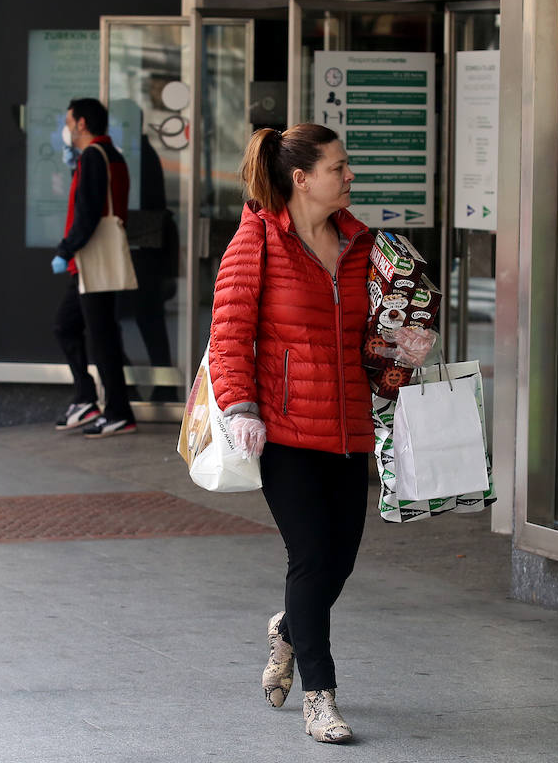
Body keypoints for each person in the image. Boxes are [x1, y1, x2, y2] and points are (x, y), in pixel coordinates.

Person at [207, 123, 432, 744]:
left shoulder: (364, 245)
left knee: (340, 563)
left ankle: (286, 630)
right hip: (284, 430)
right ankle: (319, 698)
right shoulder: (257, 240)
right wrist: (241, 408)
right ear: (301, 178)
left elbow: (378, 334)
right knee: (309, 560)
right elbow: (228, 333)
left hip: (350, 428)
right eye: (338, 167)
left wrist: (403, 347)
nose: (349, 176)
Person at [50, 97, 137, 438]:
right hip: (92, 261)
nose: (67, 127)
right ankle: (89, 397)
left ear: (82, 123)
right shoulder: (111, 154)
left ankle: (116, 410)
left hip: (90, 260)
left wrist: (66, 249)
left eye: (69, 121)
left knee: (99, 337)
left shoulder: (93, 157)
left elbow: (88, 213)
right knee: (71, 327)